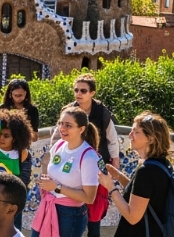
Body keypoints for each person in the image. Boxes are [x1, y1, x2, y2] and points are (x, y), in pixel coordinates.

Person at [51, 73, 118, 237]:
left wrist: (114, 164)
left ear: (92, 93)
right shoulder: (69, 111)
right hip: (72, 164)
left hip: (95, 163)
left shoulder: (102, 112)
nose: (78, 94)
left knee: (94, 210)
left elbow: (112, 139)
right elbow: (56, 137)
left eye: (83, 90)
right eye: (76, 90)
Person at [98, 112, 173, 237]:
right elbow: (141, 195)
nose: (130, 135)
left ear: (151, 138)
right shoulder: (160, 163)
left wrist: (111, 188)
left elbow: (132, 216)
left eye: (136, 132)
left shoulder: (147, 171)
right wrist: (118, 176)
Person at [32, 106, 100, 237]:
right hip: (48, 207)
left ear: (81, 129)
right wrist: (44, 179)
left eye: (68, 125)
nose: (62, 128)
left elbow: (89, 198)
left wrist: (56, 187)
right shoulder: (59, 145)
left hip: (70, 215)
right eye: (61, 123)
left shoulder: (89, 157)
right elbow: (51, 172)